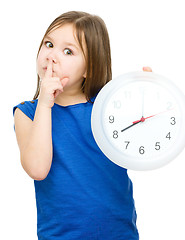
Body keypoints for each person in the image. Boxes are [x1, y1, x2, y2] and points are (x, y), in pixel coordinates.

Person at [13, 11, 152, 240]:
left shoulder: (109, 108)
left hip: (119, 234)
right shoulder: (27, 113)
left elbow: (144, 143)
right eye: (49, 44)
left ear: (89, 67)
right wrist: (45, 105)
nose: (53, 56)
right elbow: (37, 169)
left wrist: (149, 94)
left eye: (68, 51)